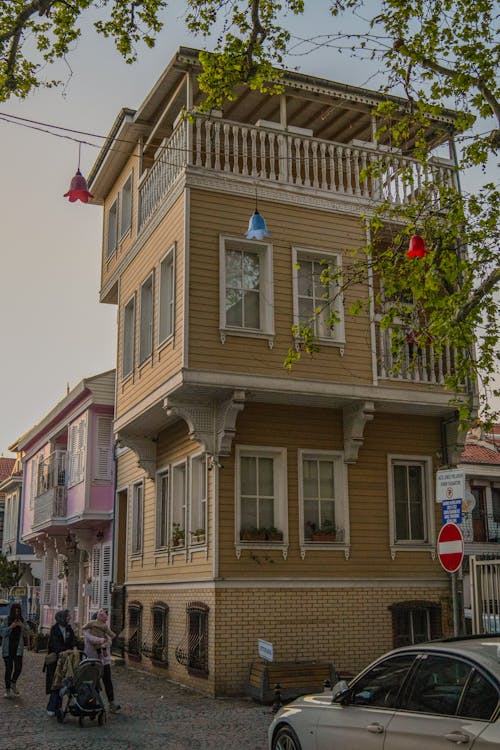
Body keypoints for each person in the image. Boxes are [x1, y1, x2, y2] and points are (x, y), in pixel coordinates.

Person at [82, 609, 120, 712]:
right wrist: (102, 641)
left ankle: (111, 703)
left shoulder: (104, 629)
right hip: (92, 660)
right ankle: (92, 701)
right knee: (93, 682)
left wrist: (105, 643)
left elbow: (110, 640)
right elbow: (91, 639)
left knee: (107, 681)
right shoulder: (88, 630)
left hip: (104, 661)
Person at [45, 608, 77, 716]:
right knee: (55, 682)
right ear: (62, 618)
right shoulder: (54, 629)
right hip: (56, 660)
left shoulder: (68, 628)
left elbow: (73, 639)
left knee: (63, 683)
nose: (69, 618)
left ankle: (58, 707)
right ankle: (51, 707)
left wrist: (74, 647)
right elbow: (54, 643)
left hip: (67, 660)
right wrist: (63, 650)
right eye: (68, 616)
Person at [0, 602, 31, 698]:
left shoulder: (22, 620)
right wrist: (11, 626)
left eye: (19, 610)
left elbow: (28, 632)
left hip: (18, 648)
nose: (17, 612)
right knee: (9, 669)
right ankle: (8, 689)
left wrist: (22, 626)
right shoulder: (6, 620)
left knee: (18, 668)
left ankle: (13, 683)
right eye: (15, 610)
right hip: (8, 648)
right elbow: (2, 633)